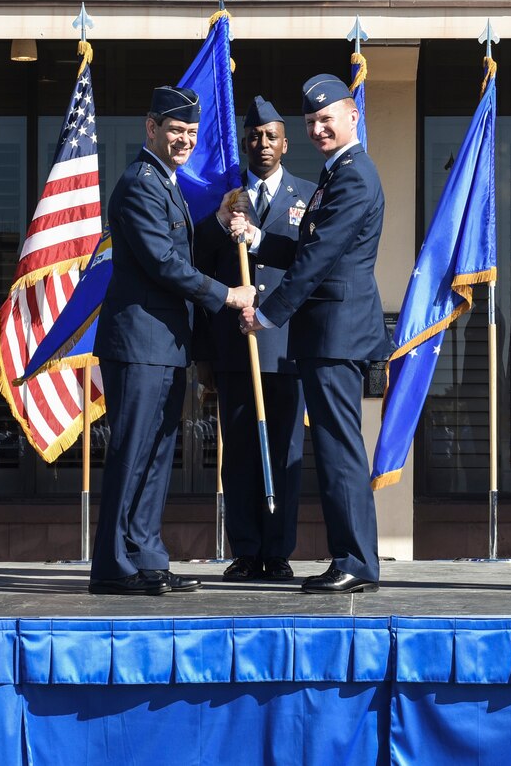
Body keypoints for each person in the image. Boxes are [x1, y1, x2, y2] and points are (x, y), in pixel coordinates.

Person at [89, 85, 256, 596]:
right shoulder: (140, 183)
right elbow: (163, 262)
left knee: (158, 454)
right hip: (139, 343)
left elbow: (177, 247)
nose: (184, 140)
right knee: (132, 451)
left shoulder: (166, 182)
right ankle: (114, 566)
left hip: (162, 345)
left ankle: (146, 557)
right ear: (151, 128)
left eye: (190, 132)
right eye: (175, 130)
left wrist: (218, 224)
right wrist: (228, 296)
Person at [236, 74, 393, 594]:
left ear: (353, 116)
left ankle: (355, 560)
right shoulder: (336, 172)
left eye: (328, 119)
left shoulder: (353, 175)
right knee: (332, 447)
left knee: (338, 448)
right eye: (310, 123)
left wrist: (267, 313)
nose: (319, 128)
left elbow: (320, 259)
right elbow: (311, 247)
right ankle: (351, 556)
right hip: (327, 333)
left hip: (336, 333)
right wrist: (259, 238)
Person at [194, 96, 315, 582]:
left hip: (285, 347)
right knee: (240, 452)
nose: (262, 144)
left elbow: (310, 267)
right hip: (235, 347)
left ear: (286, 143)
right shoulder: (225, 198)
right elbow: (198, 265)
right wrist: (205, 354)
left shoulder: (308, 196)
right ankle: (246, 549)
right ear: (243, 142)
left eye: (272, 136)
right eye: (254, 136)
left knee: (285, 453)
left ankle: (278, 550)